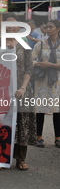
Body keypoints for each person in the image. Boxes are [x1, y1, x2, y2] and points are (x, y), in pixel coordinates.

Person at [2, 14, 36, 171]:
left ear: (19, 28)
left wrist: (22, 87)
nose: (9, 27)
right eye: (6, 25)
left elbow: (28, 69)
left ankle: (20, 159)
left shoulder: (24, 44)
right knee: (2, 123)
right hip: (2, 90)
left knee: (22, 124)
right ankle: (1, 158)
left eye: (13, 25)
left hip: (22, 90)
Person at [33, 20, 60, 148]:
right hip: (42, 81)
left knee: (57, 109)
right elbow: (31, 60)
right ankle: (39, 137)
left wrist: (51, 65)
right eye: (46, 27)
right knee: (40, 109)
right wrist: (38, 64)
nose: (48, 29)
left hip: (57, 82)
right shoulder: (41, 45)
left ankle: (58, 138)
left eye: (51, 27)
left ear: (58, 29)